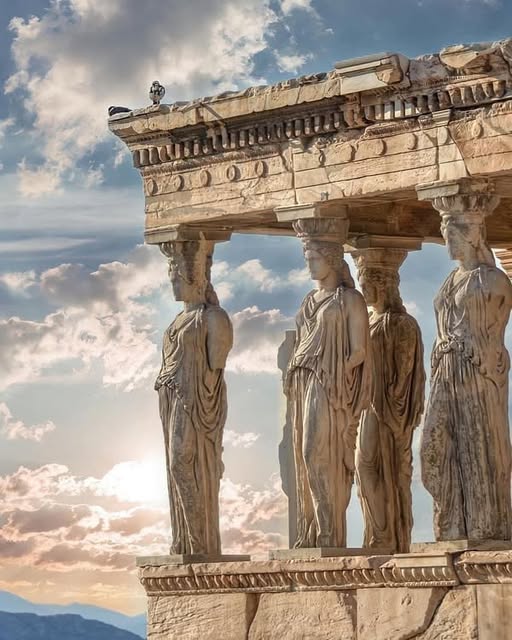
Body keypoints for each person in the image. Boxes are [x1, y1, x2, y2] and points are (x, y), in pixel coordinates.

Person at [421, 212, 512, 541]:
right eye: (446, 237)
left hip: (476, 370)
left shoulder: (494, 281)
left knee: (477, 445)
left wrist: (486, 358)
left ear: (472, 238)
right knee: (432, 447)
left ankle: (484, 527)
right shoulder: (450, 280)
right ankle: (452, 523)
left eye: (454, 237)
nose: (448, 244)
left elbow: (498, 332)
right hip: (445, 370)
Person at [286, 219, 372, 548]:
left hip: (331, 384)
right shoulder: (309, 300)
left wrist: (336, 370)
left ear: (333, 260)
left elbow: (359, 350)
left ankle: (329, 529)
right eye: (307, 258)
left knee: (316, 451)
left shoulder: (349, 300)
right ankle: (315, 531)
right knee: (304, 454)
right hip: (304, 380)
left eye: (314, 258)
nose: (309, 264)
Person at [155, 240, 232, 554]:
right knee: (176, 466)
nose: (173, 282)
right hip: (173, 398)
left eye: (178, 276)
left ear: (196, 278)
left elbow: (216, 366)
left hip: (197, 401)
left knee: (182, 463)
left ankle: (201, 541)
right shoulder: (175, 323)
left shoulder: (212, 318)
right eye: (171, 275)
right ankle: (187, 539)